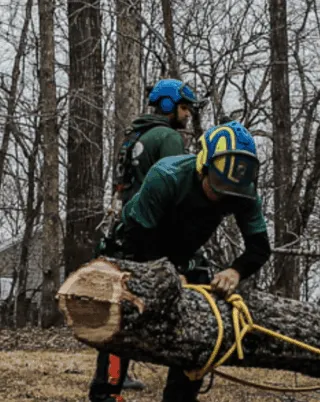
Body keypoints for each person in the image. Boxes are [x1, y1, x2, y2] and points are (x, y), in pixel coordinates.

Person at [89, 121, 271, 402]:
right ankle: (106, 393)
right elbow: (140, 235)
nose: (224, 196)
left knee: (201, 317)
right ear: (203, 167)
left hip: (182, 254)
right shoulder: (166, 176)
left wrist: (236, 271)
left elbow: (260, 247)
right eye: (219, 185)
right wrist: (167, 275)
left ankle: (181, 397)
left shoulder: (244, 193)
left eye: (233, 190)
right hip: (134, 247)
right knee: (123, 315)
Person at [91, 78, 202, 398]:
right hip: (153, 234)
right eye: (184, 108)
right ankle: (175, 387)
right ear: (167, 105)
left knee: (123, 309)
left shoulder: (134, 136)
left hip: (127, 232)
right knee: (184, 305)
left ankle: (112, 380)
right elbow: (176, 189)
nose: (188, 115)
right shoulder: (167, 137)